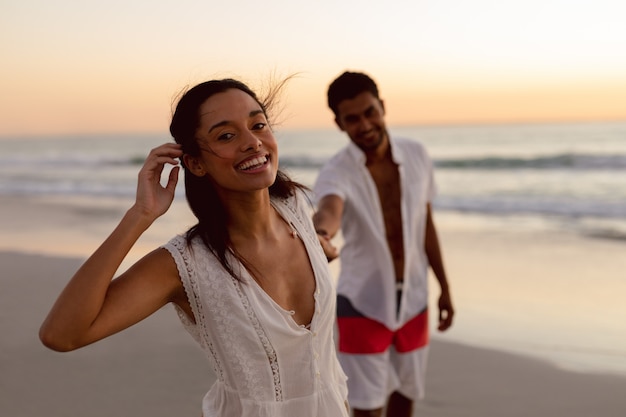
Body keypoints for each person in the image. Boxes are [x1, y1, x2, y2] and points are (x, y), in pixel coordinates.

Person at [39, 78, 349, 417]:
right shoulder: (185, 265)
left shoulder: (295, 211)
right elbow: (61, 334)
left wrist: (323, 247)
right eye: (226, 135)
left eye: (258, 124)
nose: (252, 142)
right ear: (196, 163)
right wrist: (141, 215)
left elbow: (326, 368)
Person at [312, 71, 455, 417]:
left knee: (407, 395)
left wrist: (445, 287)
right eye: (352, 119)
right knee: (366, 408)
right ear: (339, 123)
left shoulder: (417, 154)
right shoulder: (337, 171)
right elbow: (330, 208)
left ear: (382, 106)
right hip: (362, 304)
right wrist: (320, 234)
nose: (364, 125)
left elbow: (426, 226)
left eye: (370, 112)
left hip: (415, 302)